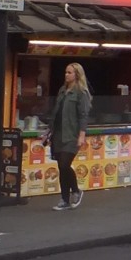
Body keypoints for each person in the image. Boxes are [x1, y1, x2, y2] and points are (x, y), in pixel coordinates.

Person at [43, 62, 92, 210]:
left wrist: (82, 135)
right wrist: (48, 131)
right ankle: (64, 199)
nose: (66, 75)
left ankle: (76, 191)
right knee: (61, 166)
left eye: (69, 73)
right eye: (65, 72)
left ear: (77, 74)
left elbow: (83, 115)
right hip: (58, 134)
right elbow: (56, 113)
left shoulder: (81, 92)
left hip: (71, 134)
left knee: (65, 164)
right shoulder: (62, 91)